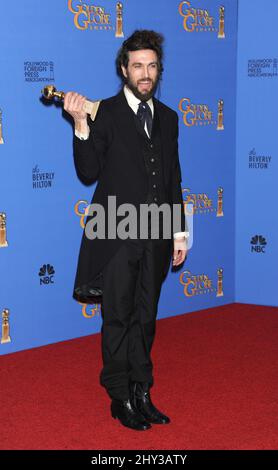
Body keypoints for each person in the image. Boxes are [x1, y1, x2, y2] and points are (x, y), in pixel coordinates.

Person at [64, 29, 189, 431]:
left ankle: (142, 390)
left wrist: (179, 233)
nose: (145, 73)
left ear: (159, 70)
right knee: (118, 318)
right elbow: (88, 172)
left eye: (152, 66)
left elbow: (173, 178)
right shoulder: (105, 113)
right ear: (124, 69)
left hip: (156, 233)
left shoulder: (168, 118)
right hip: (116, 233)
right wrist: (81, 123)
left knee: (146, 317)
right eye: (138, 65)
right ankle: (119, 397)